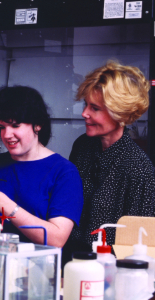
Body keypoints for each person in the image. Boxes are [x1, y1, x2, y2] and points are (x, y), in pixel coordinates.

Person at [0, 85, 84, 247]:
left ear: (38, 124)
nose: (6, 135)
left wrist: (8, 208)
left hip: (36, 269)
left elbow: (57, 239)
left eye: (15, 125)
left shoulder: (64, 172)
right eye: (1, 127)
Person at [62, 61, 155, 264]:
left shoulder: (138, 168)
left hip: (109, 269)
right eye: (86, 104)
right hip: (69, 259)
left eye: (94, 108)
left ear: (120, 113)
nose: (84, 113)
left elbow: (140, 244)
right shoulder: (83, 146)